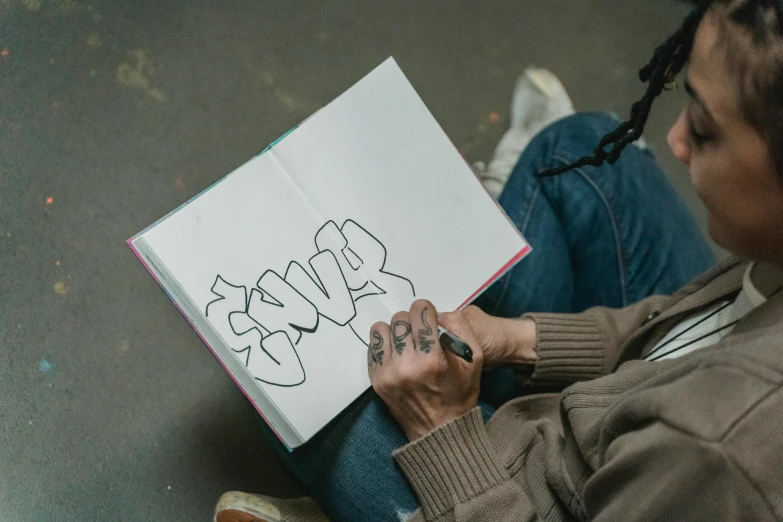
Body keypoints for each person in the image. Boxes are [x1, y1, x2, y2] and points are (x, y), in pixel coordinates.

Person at [215, 0, 783, 520]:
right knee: (582, 147)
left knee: (294, 385)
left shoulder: (719, 451)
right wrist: (517, 338)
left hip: (526, 500)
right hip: (610, 422)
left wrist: (442, 432)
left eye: (706, 131)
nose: (678, 140)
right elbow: (687, 329)